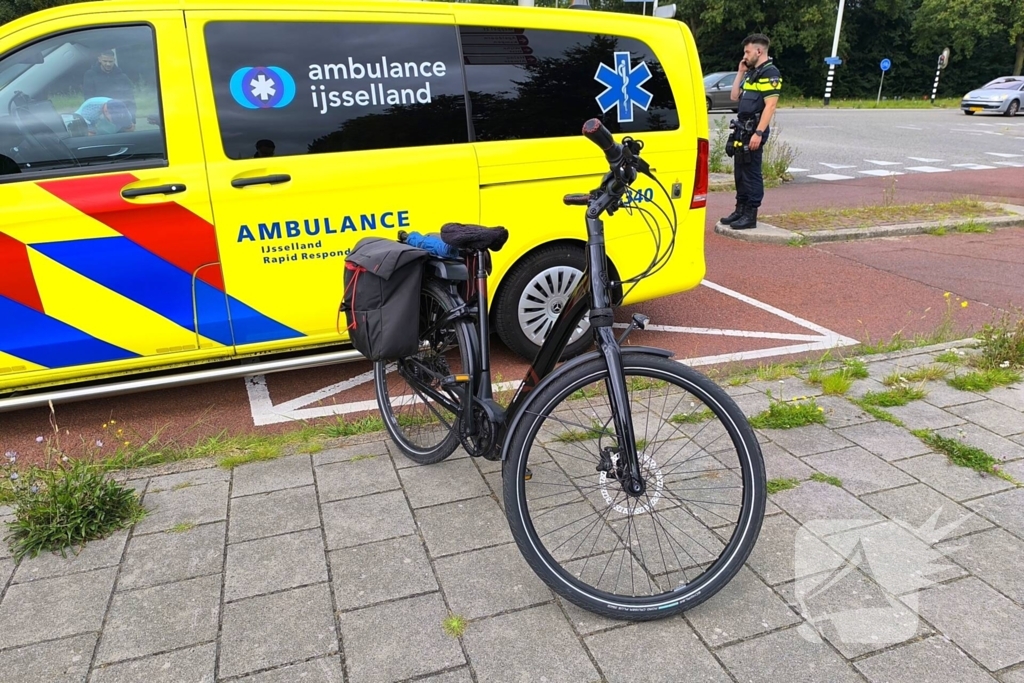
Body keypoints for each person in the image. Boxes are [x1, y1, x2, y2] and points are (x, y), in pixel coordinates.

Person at [720, 34, 782, 231]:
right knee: (740, 172)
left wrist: (758, 133)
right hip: (742, 129)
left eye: (747, 52)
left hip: (754, 129)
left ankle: (750, 214)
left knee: (752, 173)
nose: (744, 55)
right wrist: (740, 72)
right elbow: (734, 96)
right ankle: (740, 209)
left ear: (759, 51)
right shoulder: (751, 73)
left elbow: (770, 106)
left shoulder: (770, 73)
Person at [82, 50, 136, 121]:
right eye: (105, 61)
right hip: (99, 115)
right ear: (99, 59)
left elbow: (130, 98)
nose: (108, 64)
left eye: (110, 61)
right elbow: (88, 98)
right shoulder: (90, 75)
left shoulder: (122, 77)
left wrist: (132, 118)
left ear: (114, 60)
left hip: (119, 114)